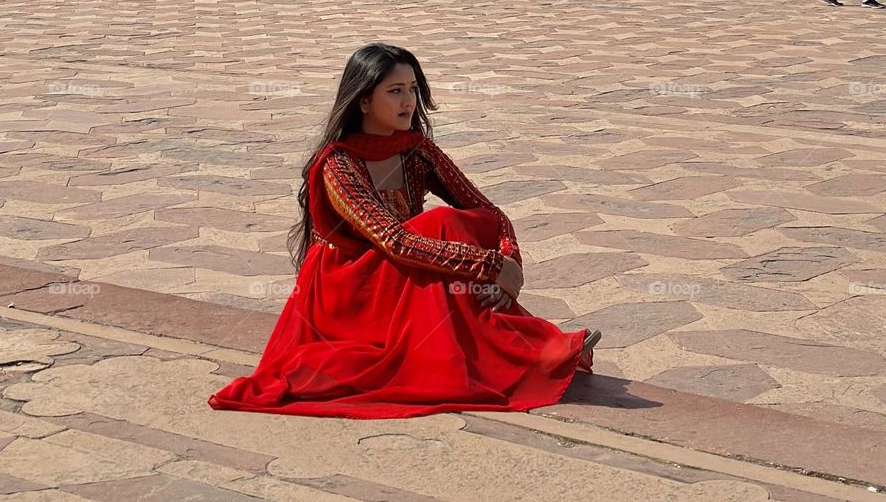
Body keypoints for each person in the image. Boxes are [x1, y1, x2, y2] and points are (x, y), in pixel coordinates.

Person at [209, 43, 600, 419]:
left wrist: (509, 262)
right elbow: (393, 240)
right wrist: (489, 265)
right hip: (347, 287)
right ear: (364, 101)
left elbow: (488, 212)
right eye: (395, 91)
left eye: (413, 89)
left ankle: (516, 349)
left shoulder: (417, 149)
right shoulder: (338, 165)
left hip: (399, 271)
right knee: (440, 224)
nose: (408, 101)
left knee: (459, 224)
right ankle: (525, 352)